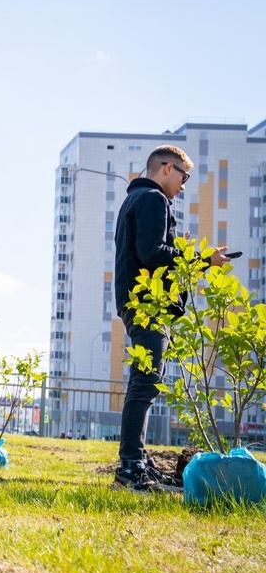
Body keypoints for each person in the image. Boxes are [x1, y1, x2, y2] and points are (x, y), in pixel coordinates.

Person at [112, 145, 229, 491]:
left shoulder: (134, 199)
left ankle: (136, 462)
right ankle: (131, 467)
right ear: (166, 168)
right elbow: (153, 252)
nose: (183, 185)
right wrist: (202, 259)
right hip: (149, 303)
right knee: (146, 383)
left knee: (143, 383)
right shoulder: (153, 200)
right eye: (183, 176)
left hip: (138, 301)